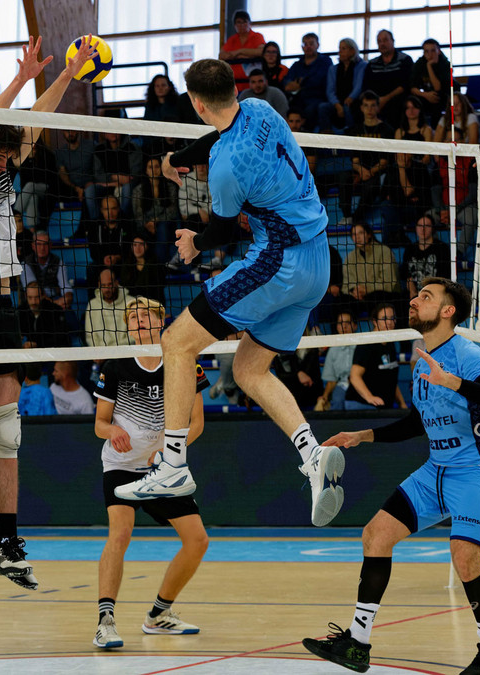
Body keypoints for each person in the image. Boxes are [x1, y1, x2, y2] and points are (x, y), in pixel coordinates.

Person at [116, 59, 342, 528]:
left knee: (176, 342)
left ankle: (173, 467)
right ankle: (312, 454)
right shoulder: (261, 108)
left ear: (197, 104)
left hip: (279, 261)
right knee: (248, 368)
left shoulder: (224, 170)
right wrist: (177, 160)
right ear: (234, 89)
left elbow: (221, 229)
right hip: (318, 261)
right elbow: (220, 136)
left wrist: (194, 243)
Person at [0, 35, 96, 590]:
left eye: (9, 156)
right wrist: (21, 78)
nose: (3, 161)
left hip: (3, 309)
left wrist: (70, 71)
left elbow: (37, 120)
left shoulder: (5, 170)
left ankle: (6, 538)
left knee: (9, 434)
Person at [305, 279, 480, 675]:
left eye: (426, 297)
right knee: (375, 534)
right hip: (435, 469)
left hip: (475, 470)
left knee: (465, 559)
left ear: (448, 311)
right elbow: (417, 421)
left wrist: (450, 380)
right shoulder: (419, 362)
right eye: (416, 295)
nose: (414, 300)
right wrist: (362, 436)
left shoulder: (466, 353)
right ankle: (358, 644)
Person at [93, 297, 209, 649]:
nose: (140, 321)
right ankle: (105, 621)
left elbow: (198, 423)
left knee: (198, 541)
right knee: (120, 533)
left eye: (146, 315)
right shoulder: (115, 366)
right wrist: (113, 431)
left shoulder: (183, 361)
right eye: (133, 317)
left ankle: (159, 614)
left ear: (161, 322)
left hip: (163, 470)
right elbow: (99, 423)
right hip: (122, 466)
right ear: (127, 326)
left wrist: (169, 451)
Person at [339, 92, 395, 228]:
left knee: (372, 185)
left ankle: (357, 218)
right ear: (361, 108)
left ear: (378, 107)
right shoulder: (356, 130)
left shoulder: (386, 129)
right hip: (360, 170)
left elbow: (385, 161)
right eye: (366, 106)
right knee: (344, 177)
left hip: (379, 172)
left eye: (373, 106)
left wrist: (369, 172)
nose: (369, 109)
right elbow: (354, 158)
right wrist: (361, 171)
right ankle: (346, 215)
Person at [344, 304, 408, 411]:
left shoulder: (390, 343)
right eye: (384, 319)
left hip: (383, 407)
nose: (389, 322)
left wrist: (402, 403)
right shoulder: (366, 344)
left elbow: (391, 379)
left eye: (392, 318)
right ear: (374, 321)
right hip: (362, 405)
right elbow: (354, 376)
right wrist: (369, 397)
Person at [390, 96, 436, 226]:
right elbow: (398, 154)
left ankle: (419, 201)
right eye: (408, 108)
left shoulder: (426, 129)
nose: (411, 111)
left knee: (419, 171)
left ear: (420, 109)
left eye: (414, 107)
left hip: (421, 168)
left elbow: (427, 157)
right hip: (405, 166)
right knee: (393, 171)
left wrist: (410, 158)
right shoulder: (400, 131)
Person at [344, 222, 401, 316]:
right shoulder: (350, 257)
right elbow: (347, 282)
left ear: (369, 234)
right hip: (360, 297)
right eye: (354, 234)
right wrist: (354, 291)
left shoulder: (384, 251)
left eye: (361, 233)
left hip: (385, 295)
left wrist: (367, 289)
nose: (357, 237)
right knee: (342, 300)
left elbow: (389, 282)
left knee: (375, 297)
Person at [364, 30, 415, 130]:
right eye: (379, 41)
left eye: (385, 40)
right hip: (376, 100)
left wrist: (385, 99)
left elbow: (405, 84)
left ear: (393, 41)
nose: (382, 44)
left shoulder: (405, 59)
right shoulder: (372, 63)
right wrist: (377, 101)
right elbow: (367, 85)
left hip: (397, 98)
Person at [85, 131, 142, 219]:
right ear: (104, 133)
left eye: (114, 130)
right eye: (108, 130)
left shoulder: (132, 147)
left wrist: (118, 182)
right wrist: (116, 178)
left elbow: (135, 174)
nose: (112, 133)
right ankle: (95, 225)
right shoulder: (99, 149)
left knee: (127, 189)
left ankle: (123, 222)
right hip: (107, 186)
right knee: (90, 190)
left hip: (127, 185)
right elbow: (97, 175)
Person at [132, 155, 181, 253]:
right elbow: (138, 214)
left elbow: (173, 211)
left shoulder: (170, 187)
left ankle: (163, 263)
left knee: (163, 228)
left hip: (166, 224)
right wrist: (148, 224)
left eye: (157, 166)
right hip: (144, 226)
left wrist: (156, 221)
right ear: (146, 170)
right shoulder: (138, 190)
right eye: (150, 167)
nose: (154, 170)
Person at [283, 33, 332, 131]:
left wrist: (300, 85)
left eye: (311, 43)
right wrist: (290, 85)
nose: (308, 47)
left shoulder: (325, 61)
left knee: (310, 110)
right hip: (298, 98)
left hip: (318, 97)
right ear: (302, 47)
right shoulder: (297, 64)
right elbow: (287, 82)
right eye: (305, 44)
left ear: (317, 45)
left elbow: (319, 81)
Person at [319, 38, 366, 133]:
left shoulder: (362, 66)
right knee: (323, 107)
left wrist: (351, 98)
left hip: (353, 100)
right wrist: (337, 105)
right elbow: (330, 90)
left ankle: (351, 134)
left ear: (352, 51)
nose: (340, 51)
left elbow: (359, 85)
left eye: (343, 48)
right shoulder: (333, 69)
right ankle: (326, 136)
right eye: (339, 48)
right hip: (337, 102)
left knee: (348, 108)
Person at [399, 214, 452, 299]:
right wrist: (413, 292)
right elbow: (407, 275)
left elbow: (443, 277)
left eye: (427, 226)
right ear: (416, 228)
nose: (423, 229)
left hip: (436, 293)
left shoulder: (442, 248)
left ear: (432, 228)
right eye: (420, 225)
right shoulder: (410, 249)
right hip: (415, 295)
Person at [20, 230, 72, 309]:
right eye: (39, 244)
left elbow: (65, 286)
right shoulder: (25, 264)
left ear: (50, 245)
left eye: (45, 244)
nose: (42, 248)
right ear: (33, 246)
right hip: (34, 303)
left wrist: (67, 297)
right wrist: (54, 304)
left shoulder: (58, 262)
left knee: (71, 317)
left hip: (56, 299)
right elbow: (34, 291)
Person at [317, 311, 358, 411]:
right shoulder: (333, 349)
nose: (344, 326)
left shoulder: (363, 347)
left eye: (347, 323)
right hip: (342, 385)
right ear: (336, 326)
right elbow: (332, 380)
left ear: (355, 326)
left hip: (361, 384)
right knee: (337, 399)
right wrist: (325, 396)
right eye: (340, 323)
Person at [84, 267, 134, 348]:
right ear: (99, 285)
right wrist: (98, 352)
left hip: (125, 353)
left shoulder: (131, 303)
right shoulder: (93, 304)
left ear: (116, 283)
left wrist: (112, 351)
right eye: (103, 285)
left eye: (110, 284)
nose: (107, 289)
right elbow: (90, 336)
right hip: (100, 354)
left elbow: (134, 336)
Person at [218, 10, 265, 90]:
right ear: (235, 25)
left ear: (250, 23)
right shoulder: (232, 40)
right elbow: (221, 55)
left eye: (244, 22)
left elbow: (261, 52)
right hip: (236, 85)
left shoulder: (257, 36)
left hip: (254, 85)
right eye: (239, 22)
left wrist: (239, 52)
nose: (242, 25)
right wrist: (249, 54)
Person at [410, 39, 453, 125]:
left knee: (437, 101)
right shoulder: (419, 63)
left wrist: (429, 66)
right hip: (427, 95)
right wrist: (425, 95)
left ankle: (436, 130)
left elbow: (438, 87)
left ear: (439, 51)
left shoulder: (445, 64)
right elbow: (413, 88)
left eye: (433, 51)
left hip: (444, 95)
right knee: (413, 101)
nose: (430, 54)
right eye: (426, 51)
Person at [19, 282, 70, 349]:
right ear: (26, 296)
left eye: (37, 297)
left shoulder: (55, 311)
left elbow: (61, 338)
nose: (33, 302)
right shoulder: (20, 311)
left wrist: (37, 344)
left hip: (51, 351)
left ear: (43, 296)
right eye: (30, 298)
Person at [118, 234, 166, 304]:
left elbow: (157, 291)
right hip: (131, 303)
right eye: (135, 245)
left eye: (141, 244)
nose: (138, 248)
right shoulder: (126, 266)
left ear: (147, 246)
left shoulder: (155, 265)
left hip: (152, 303)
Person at [56, 129, 96, 206]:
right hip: (71, 189)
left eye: (73, 131)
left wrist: (92, 183)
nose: (70, 133)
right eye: (67, 131)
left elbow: (99, 169)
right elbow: (63, 174)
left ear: (77, 131)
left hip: (91, 186)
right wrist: (76, 189)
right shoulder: (60, 152)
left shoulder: (91, 146)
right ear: (63, 132)